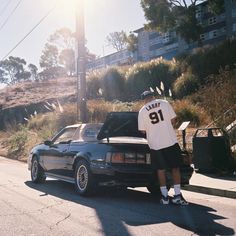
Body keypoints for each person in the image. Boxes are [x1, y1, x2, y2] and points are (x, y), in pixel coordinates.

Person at [138, 90, 188, 205]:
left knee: (161, 170)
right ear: (153, 96)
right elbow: (173, 120)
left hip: (155, 145)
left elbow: (142, 130)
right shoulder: (164, 103)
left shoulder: (142, 111)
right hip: (170, 141)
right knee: (175, 168)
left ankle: (164, 197)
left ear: (144, 100)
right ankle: (177, 196)